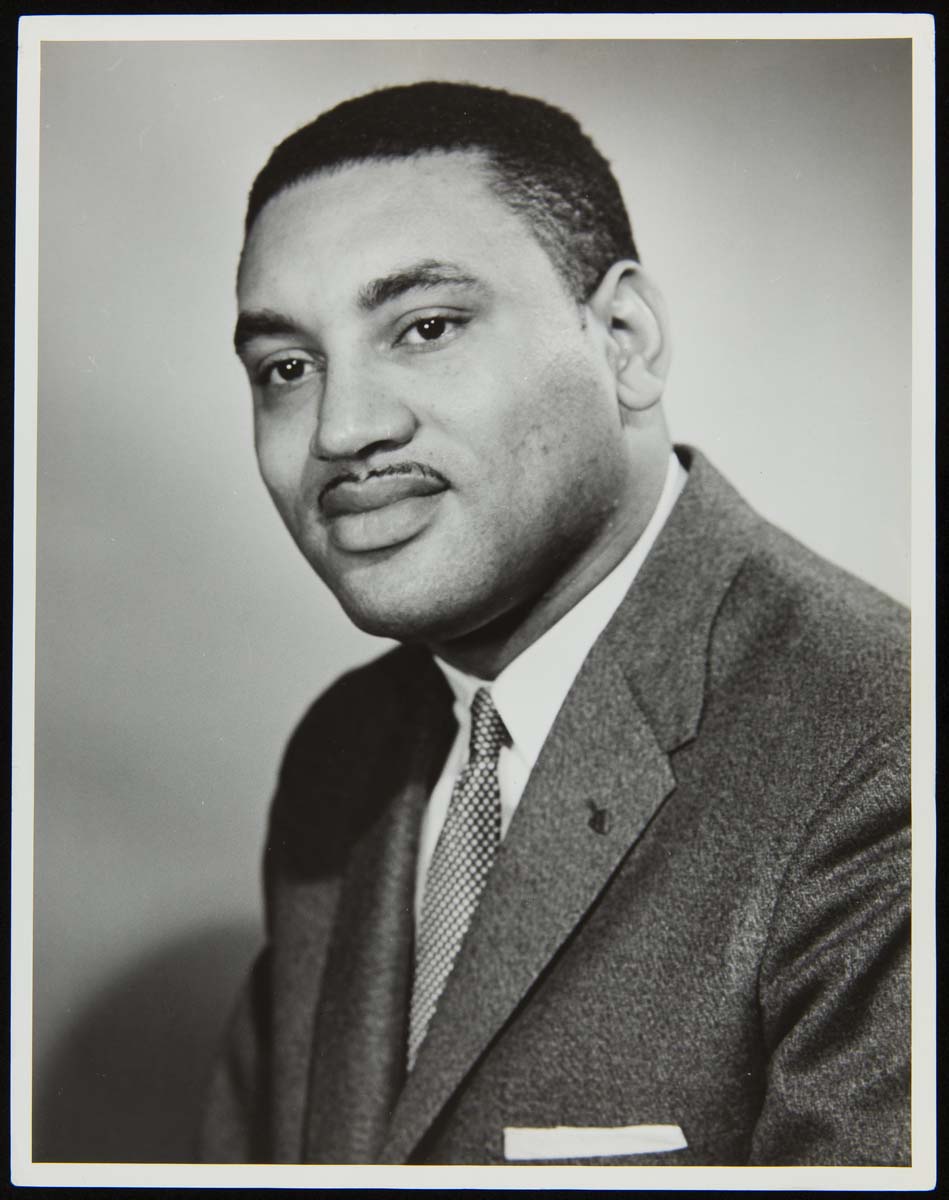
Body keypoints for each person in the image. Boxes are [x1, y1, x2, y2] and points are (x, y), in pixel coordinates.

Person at [198, 81, 910, 1167]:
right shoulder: (338, 757)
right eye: (286, 370)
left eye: (426, 327)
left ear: (623, 339)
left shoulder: (887, 750)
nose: (343, 427)